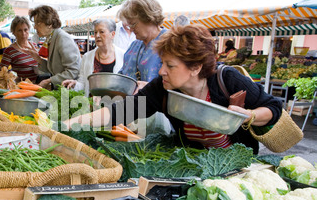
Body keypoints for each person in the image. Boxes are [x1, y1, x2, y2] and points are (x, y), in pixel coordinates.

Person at [63, 24, 283, 155]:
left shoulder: (227, 79)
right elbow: (122, 110)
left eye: (170, 65)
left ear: (195, 67)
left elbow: (274, 107)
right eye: (162, 64)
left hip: (236, 169)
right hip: (192, 165)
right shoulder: (163, 88)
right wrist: (70, 124)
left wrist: (251, 115)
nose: (161, 72)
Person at [20, 5, 81, 89]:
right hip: (61, 90)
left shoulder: (63, 39)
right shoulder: (51, 38)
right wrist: (38, 59)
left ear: (49, 24)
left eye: (37, 23)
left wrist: (49, 80)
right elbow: (53, 69)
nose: (34, 27)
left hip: (71, 90)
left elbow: (73, 71)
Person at [62, 18, 125, 96]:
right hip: (93, 105)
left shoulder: (123, 56)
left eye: (101, 32)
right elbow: (83, 83)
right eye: (95, 32)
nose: (97, 35)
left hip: (115, 105)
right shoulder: (87, 57)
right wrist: (75, 84)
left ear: (112, 34)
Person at [117, 0, 168, 91]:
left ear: (148, 18)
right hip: (132, 104)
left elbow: (181, 85)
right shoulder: (134, 46)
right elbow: (122, 75)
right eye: (129, 25)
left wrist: (150, 88)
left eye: (133, 24)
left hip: (155, 104)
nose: (131, 29)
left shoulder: (171, 42)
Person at [0, 16, 39, 82]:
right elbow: (1, 71)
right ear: (14, 32)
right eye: (19, 30)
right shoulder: (10, 50)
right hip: (21, 88)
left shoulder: (34, 46)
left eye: (25, 30)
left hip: (38, 85)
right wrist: (12, 77)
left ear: (29, 30)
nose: (23, 33)